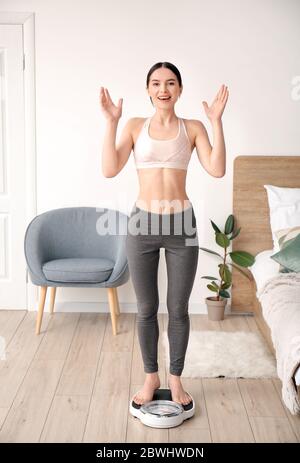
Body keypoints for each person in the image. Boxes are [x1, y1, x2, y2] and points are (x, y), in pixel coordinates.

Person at [100, 62, 228, 405]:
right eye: (156, 83)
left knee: (178, 308)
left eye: (170, 83)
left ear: (180, 90)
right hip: (141, 224)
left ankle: (175, 380)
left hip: (181, 225)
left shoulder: (194, 128)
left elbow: (217, 169)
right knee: (145, 308)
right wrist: (111, 122)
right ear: (148, 90)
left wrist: (216, 121)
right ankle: (150, 377)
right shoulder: (133, 127)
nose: (163, 89)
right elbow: (109, 169)